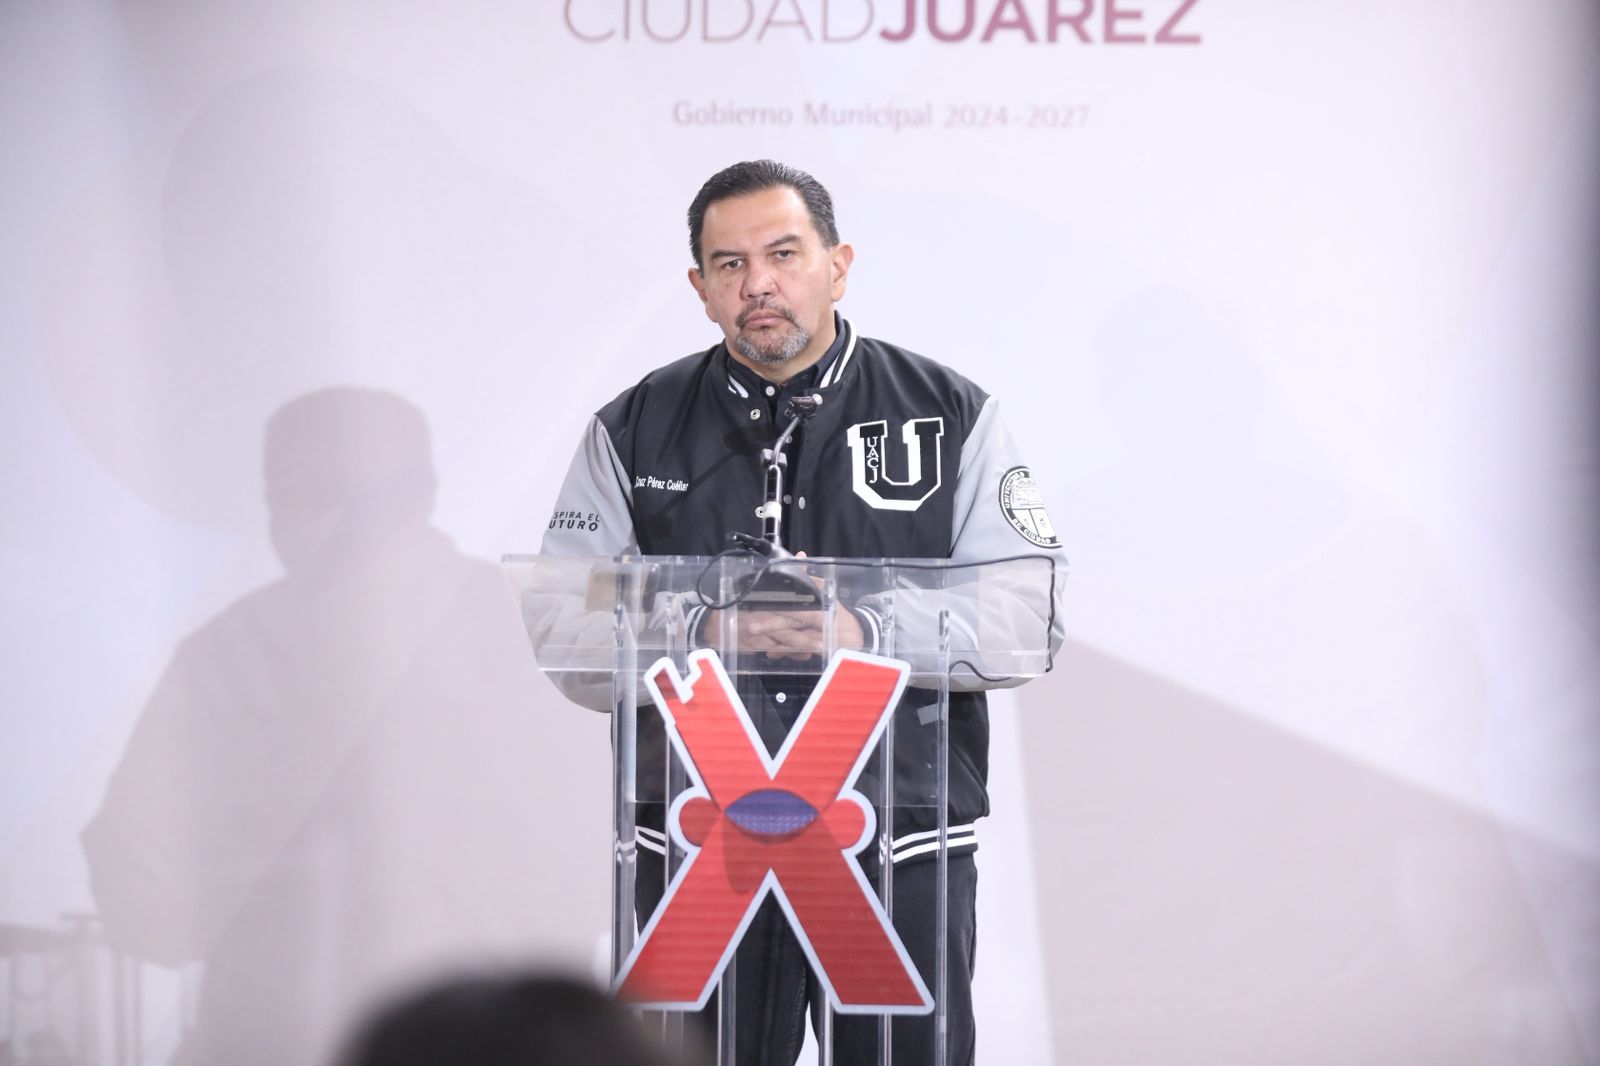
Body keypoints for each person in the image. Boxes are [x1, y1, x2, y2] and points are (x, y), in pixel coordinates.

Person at [541, 160, 1066, 1065]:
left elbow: (1030, 617)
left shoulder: (950, 413)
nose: (759, 283)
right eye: (731, 264)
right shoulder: (630, 427)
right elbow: (562, 622)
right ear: (701, 287)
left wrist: (863, 631)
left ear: (838, 265)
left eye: (783, 254)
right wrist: (699, 631)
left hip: (896, 835)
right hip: (698, 837)